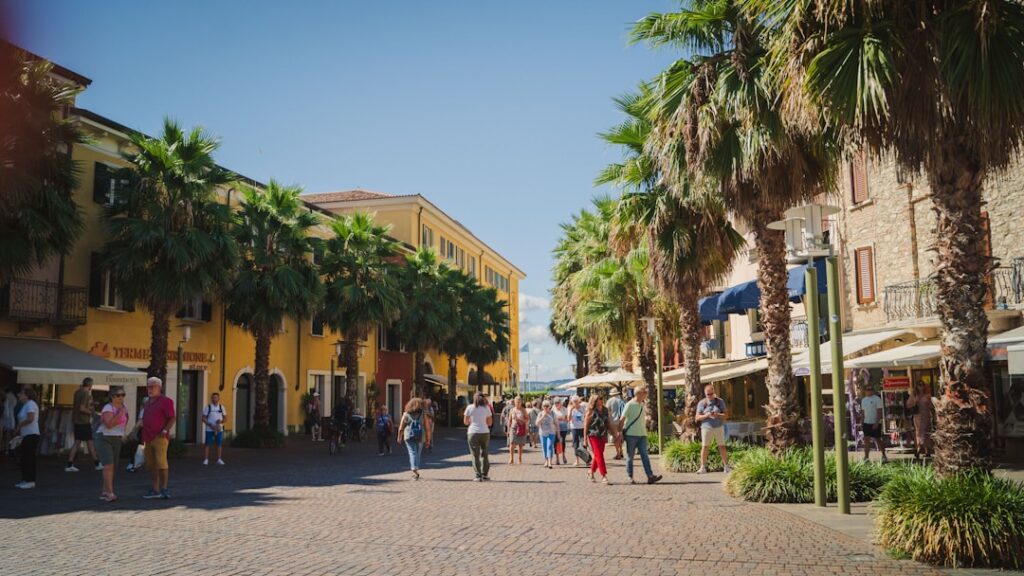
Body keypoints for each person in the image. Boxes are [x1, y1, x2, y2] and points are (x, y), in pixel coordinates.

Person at [618, 384, 662, 485]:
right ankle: (630, 476)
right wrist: (619, 433)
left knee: (645, 456)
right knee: (630, 457)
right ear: (638, 394)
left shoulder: (642, 404)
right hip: (631, 435)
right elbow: (622, 419)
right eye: (644, 393)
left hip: (642, 434)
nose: (646, 395)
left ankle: (650, 476)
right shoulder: (629, 404)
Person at [141, 377, 175, 499]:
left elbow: (172, 417)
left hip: (160, 437)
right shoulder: (146, 402)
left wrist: (165, 430)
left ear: (159, 388)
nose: (149, 389)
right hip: (147, 437)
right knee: (152, 465)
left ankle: (164, 489)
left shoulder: (166, 401)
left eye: (152, 386)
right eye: (148, 386)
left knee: (162, 464)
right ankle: (155, 489)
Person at [95, 386, 129, 501]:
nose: (121, 398)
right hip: (104, 437)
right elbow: (109, 424)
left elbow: (125, 422)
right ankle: (110, 492)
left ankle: (104, 491)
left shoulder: (125, 407)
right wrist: (119, 414)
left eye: (123, 395)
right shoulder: (107, 408)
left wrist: (123, 434)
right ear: (112, 397)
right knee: (108, 465)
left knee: (113, 466)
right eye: (118, 395)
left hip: (116, 438)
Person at [66, 377, 100, 472]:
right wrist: (92, 413)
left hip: (77, 420)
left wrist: (92, 403)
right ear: (90, 385)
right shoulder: (85, 393)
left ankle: (69, 464)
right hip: (83, 421)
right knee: (90, 442)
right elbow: (82, 408)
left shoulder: (77, 392)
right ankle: (97, 463)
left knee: (77, 442)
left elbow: (80, 405)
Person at [695, 384, 731, 474]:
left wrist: (718, 415)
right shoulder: (702, 403)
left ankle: (726, 466)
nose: (710, 396)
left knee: (722, 446)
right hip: (706, 427)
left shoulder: (720, 402)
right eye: (708, 394)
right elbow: (697, 418)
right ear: (705, 394)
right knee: (705, 447)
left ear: (714, 392)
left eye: (711, 394)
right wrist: (706, 415)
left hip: (719, 426)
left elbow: (726, 415)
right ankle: (702, 467)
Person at [397, 398, 431, 480]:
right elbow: (427, 428)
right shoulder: (423, 414)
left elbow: (401, 428)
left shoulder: (406, 414)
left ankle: (414, 470)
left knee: (412, 452)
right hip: (420, 436)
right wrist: (428, 440)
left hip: (409, 436)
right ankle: (415, 469)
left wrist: (399, 437)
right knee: (418, 453)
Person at [13, 387, 40, 489]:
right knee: (25, 458)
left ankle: (30, 480)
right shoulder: (26, 405)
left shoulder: (30, 404)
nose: (19, 395)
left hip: (31, 434)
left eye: (21, 393)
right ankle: (25, 479)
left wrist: (19, 426)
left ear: (26, 395)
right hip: (26, 435)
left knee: (29, 458)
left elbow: (30, 418)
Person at [464, 392, 493, 481]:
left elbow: (465, 422)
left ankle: (478, 475)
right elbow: (490, 423)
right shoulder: (486, 408)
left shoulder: (469, 407)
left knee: (475, 454)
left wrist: (472, 422)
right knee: (485, 453)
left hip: (472, 432)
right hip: (484, 432)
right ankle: (485, 474)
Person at [583, 394, 610, 483]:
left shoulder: (605, 410)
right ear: (594, 401)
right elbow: (586, 426)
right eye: (599, 399)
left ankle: (591, 471)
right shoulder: (590, 411)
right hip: (593, 435)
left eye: (601, 398)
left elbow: (609, 423)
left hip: (602, 435)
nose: (601, 400)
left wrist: (616, 434)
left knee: (599, 455)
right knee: (599, 455)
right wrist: (585, 439)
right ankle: (604, 475)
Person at [906, 380, 934, 461]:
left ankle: (923, 449)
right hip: (917, 416)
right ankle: (921, 449)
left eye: (922, 385)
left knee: (925, 432)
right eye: (919, 385)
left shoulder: (927, 395)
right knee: (919, 432)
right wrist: (914, 401)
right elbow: (908, 405)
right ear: (917, 386)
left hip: (926, 416)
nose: (921, 386)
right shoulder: (914, 395)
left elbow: (932, 406)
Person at [859, 384, 887, 464]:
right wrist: (862, 423)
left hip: (875, 423)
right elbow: (863, 413)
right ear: (865, 391)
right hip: (866, 423)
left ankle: (884, 455)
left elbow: (879, 412)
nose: (869, 390)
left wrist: (877, 422)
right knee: (866, 440)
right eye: (868, 389)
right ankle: (866, 457)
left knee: (878, 439)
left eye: (871, 389)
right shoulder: (863, 400)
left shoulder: (877, 399)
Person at [202, 392, 227, 466]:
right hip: (209, 428)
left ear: (219, 398)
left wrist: (221, 421)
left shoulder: (221, 407)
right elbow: (203, 418)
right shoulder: (208, 407)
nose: (214, 399)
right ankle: (206, 459)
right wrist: (209, 424)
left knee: (219, 444)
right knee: (207, 444)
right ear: (211, 398)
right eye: (213, 397)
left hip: (219, 429)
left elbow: (225, 418)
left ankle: (219, 459)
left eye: (216, 397)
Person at [535, 400, 558, 468]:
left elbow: (556, 423)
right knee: (544, 447)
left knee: (549, 446)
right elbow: (537, 423)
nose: (546, 407)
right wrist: (543, 416)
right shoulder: (540, 413)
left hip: (551, 432)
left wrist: (558, 433)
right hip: (543, 433)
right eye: (544, 406)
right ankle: (546, 461)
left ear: (549, 406)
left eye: (547, 406)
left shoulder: (553, 413)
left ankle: (550, 462)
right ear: (542, 407)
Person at [506, 396, 528, 465]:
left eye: (519, 402)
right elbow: (509, 420)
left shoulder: (523, 410)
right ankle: (511, 458)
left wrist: (520, 419)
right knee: (512, 443)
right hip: (513, 428)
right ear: (514, 402)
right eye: (516, 402)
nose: (518, 403)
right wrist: (508, 430)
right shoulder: (512, 410)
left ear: (521, 403)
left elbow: (527, 419)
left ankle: (519, 458)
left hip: (521, 428)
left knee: (520, 444)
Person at [606, 388, 625, 460]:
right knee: (620, 436)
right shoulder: (621, 401)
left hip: (613, 421)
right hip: (620, 421)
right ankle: (621, 451)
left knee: (615, 438)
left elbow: (608, 412)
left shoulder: (609, 401)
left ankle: (618, 453)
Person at [569, 395, 586, 466]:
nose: (575, 403)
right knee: (576, 445)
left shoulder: (583, 408)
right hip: (574, 428)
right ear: (572, 402)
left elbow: (585, 417)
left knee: (583, 445)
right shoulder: (570, 408)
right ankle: (577, 461)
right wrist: (570, 410)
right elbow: (568, 419)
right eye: (574, 402)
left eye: (576, 401)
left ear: (579, 401)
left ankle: (586, 460)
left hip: (582, 427)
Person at [552, 399, 569, 465]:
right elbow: (551, 419)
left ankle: (563, 456)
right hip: (555, 428)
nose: (556, 404)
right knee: (556, 443)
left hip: (563, 428)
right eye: (555, 403)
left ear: (561, 403)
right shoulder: (553, 409)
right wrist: (555, 420)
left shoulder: (564, 409)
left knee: (563, 442)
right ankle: (557, 458)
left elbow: (567, 419)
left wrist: (562, 419)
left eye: (558, 403)